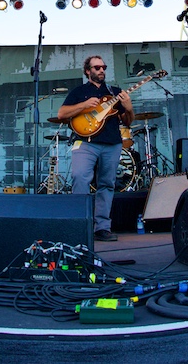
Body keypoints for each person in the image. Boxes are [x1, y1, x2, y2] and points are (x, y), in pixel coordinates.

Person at [56, 55, 134, 241]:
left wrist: (129, 108)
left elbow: (128, 121)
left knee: (107, 184)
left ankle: (102, 228)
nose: (101, 70)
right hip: (85, 142)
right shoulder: (79, 91)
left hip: (112, 143)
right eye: (97, 67)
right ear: (88, 71)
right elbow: (61, 114)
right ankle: (80, 223)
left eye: (103, 67)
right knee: (79, 177)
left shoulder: (114, 92)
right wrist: (84, 105)